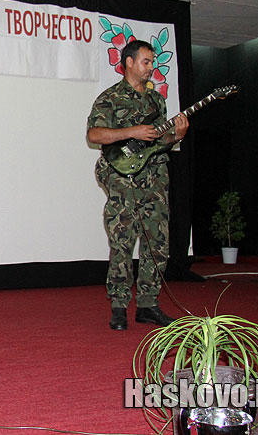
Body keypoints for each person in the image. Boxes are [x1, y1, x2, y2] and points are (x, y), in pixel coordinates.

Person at [86, 39, 188, 331]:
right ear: (129, 62)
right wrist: (132, 131)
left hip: (154, 179)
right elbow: (94, 135)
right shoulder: (111, 98)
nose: (150, 68)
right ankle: (119, 307)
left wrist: (176, 136)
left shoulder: (157, 101)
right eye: (145, 62)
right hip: (122, 179)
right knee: (122, 242)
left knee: (157, 244)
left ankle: (147, 304)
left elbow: (157, 142)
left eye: (152, 62)